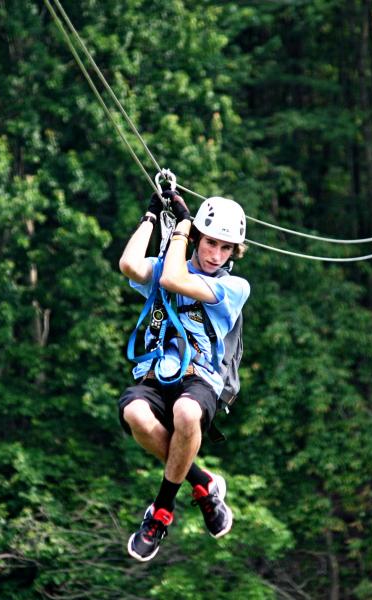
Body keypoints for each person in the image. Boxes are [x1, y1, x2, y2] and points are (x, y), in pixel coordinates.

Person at [117, 190, 250, 562]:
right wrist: (149, 216)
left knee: (187, 414)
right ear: (197, 240)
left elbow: (175, 279)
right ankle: (203, 484)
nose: (216, 255)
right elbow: (129, 265)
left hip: (201, 378)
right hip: (158, 372)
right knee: (135, 415)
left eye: (226, 249)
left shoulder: (233, 287)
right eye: (210, 243)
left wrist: (182, 228)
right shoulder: (165, 265)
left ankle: (160, 512)